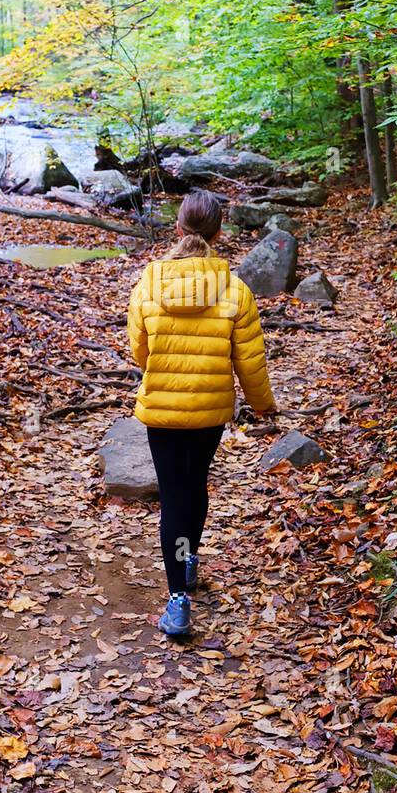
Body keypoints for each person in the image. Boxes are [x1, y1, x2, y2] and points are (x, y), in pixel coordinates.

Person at [127, 189, 276, 637]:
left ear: (178, 228)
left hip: (162, 411)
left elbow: (140, 351)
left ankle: (178, 600)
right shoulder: (235, 289)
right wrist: (263, 405)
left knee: (174, 495)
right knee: (195, 485)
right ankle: (189, 557)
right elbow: (250, 360)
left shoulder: (149, 282)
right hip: (210, 411)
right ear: (218, 232)